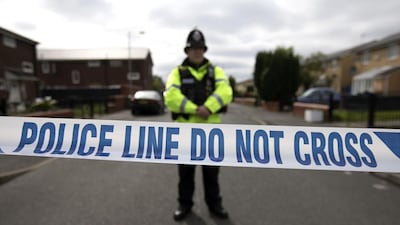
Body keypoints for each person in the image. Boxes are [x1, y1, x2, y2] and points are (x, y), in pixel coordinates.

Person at [164, 28, 233, 221]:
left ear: (204, 50)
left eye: (200, 48)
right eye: (193, 48)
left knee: (212, 174)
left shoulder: (216, 71)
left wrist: (209, 108)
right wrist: (196, 109)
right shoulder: (177, 72)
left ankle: (215, 205)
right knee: (185, 174)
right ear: (187, 51)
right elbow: (170, 96)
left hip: (211, 133)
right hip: (185, 133)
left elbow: (226, 91)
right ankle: (184, 205)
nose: (196, 51)